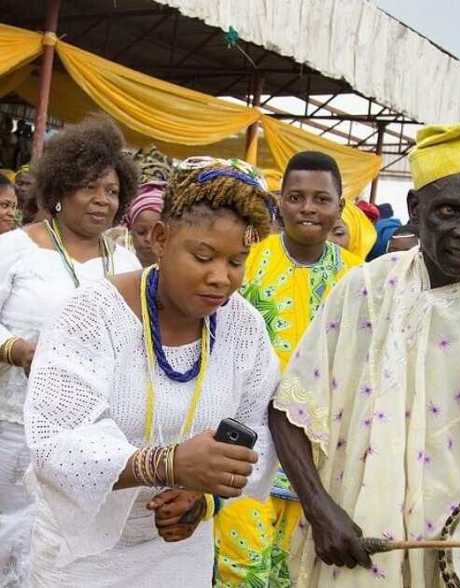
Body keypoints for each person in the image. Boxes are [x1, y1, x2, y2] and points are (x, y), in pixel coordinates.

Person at [269, 116, 460, 586]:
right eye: (449, 212)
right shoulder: (366, 290)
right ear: (415, 206)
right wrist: (321, 511)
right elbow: (290, 410)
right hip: (368, 542)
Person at [22, 156, 279, 586]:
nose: (221, 278)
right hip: (82, 559)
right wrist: (169, 464)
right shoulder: (93, 315)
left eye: (236, 261)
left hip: (178, 556)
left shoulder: (242, 327)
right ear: (160, 238)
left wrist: (205, 499)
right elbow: (55, 444)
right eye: (203, 256)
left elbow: (256, 430)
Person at [0, 116, 143, 586]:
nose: (102, 201)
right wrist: (16, 349)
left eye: (111, 191)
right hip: (12, 424)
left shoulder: (124, 263)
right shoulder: (15, 250)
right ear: (59, 188)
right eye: (89, 188)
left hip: (86, 430)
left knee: (56, 534)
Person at [215, 151, 362, 587]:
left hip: (322, 455)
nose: (308, 209)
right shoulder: (245, 263)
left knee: (302, 574)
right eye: (296, 197)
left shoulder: (359, 279)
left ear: (341, 204)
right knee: (241, 572)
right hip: (245, 447)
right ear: (280, 201)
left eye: (321, 198)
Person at [117, 181, 165, 267]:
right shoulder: (117, 263)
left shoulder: (176, 267)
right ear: (130, 230)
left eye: (158, 233)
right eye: (141, 232)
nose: (149, 238)